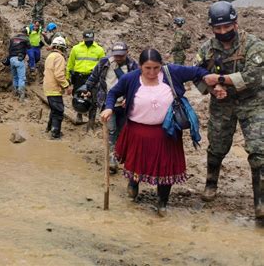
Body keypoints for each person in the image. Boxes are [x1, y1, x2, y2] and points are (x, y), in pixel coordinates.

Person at [100, 49, 214, 216]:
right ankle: (133, 185)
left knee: (165, 169)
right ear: (140, 66)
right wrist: (109, 107)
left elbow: (197, 71)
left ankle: (162, 203)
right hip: (137, 132)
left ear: (162, 65)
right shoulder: (130, 78)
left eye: (156, 67)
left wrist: (211, 80)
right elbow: (113, 92)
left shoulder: (172, 72)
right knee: (137, 163)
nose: (152, 72)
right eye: (147, 68)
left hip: (167, 133)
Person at [194, 1, 263, 219]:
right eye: (218, 28)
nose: (223, 32)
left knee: (259, 151)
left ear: (235, 22)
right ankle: (211, 184)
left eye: (226, 27)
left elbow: (254, 76)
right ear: (212, 28)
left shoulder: (253, 44)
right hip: (221, 104)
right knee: (217, 146)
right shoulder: (206, 49)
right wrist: (213, 90)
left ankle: (260, 202)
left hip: (252, 103)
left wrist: (222, 79)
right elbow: (197, 75)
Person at [85, 42, 138, 173]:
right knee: (112, 130)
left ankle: (118, 154)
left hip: (125, 105)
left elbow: (138, 84)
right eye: (116, 55)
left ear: (127, 52)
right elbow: (93, 77)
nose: (118, 58)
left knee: (122, 131)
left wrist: (130, 96)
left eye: (121, 55)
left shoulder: (133, 66)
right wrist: (87, 89)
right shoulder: (104, 63)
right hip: (107, 103)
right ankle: (112, 158)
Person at [67, 30, 105, 130]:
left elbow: (103, 66)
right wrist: (69, 80)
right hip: (78, 77)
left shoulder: (99, 50)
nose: (89, 42)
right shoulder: (76, 48)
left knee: (93, 98)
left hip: (92, 77)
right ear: (83, 38)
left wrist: (102, 80)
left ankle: (91, 121)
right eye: (87, 40)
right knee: (78, 96)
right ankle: (79, 114)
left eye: (91, 40)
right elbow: (70, 65)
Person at [43, 36, 71, 139]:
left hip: (48, 86)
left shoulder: (50, 56)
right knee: (58, 111)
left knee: (54, 109)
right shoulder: (59, 57)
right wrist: (67, 86)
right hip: (54, 88)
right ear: (62, 47)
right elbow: (59, 75)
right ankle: (55, 134)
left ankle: (49, 128)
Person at [7, 28, 31, 101]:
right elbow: (29, 47)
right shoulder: (25, 38)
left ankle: (15, 93)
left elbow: (9, 48)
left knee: (15, 77)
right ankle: (22, 98)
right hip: (19, 59)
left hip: (11, 59)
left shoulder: (12, 38)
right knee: (21, 78)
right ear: (26, 33)